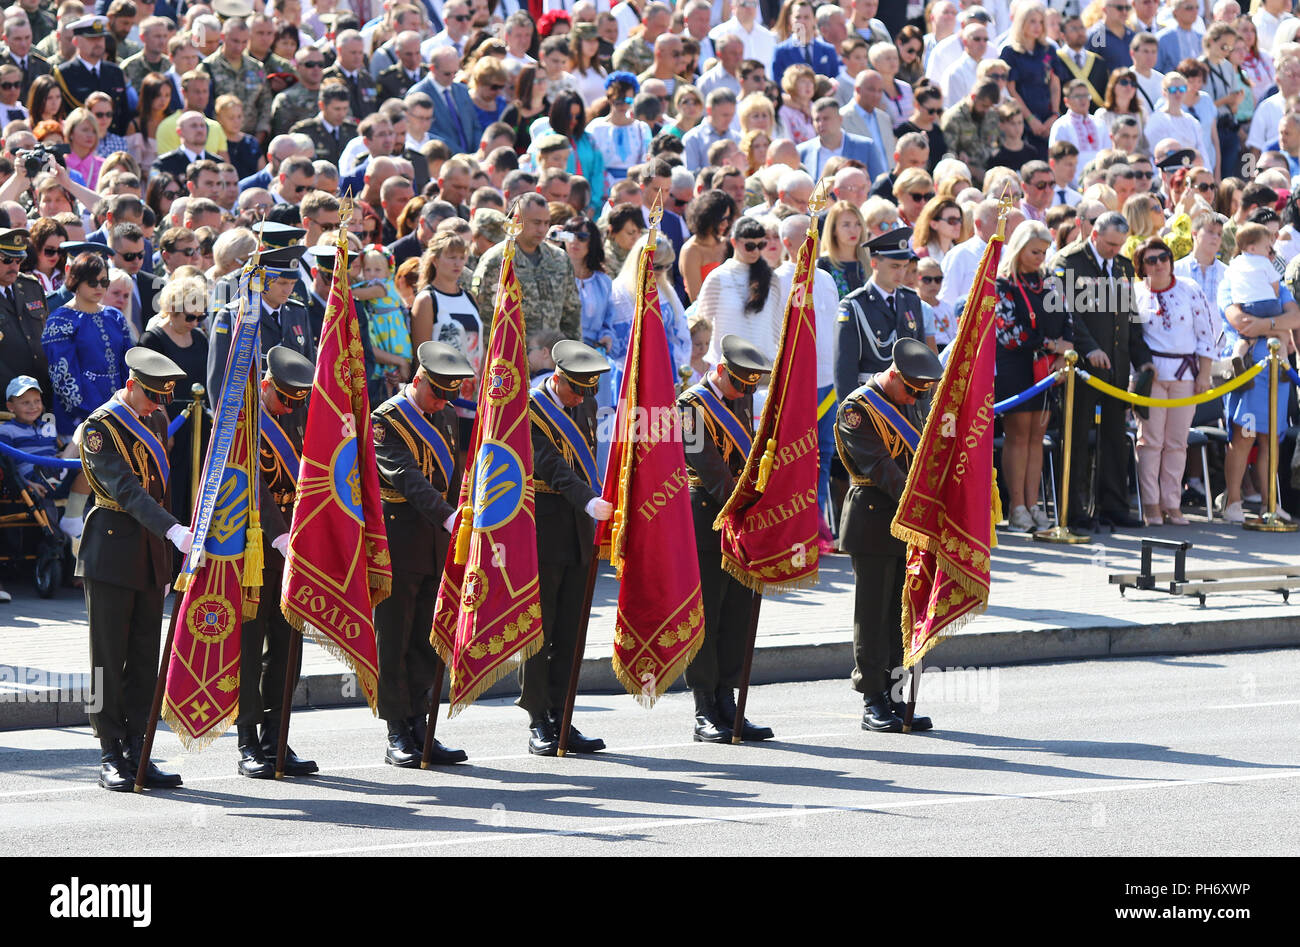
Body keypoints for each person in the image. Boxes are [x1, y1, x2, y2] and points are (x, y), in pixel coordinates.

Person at [78, 346, 190, 790]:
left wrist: (171, 545)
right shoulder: (99, 428)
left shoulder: (155, 419)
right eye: (151, 397)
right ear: (131, 386)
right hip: (111, 549)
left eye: (162, 399)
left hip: (149, 550)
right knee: (106, 659)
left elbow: (162, 487)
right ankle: (108, 750)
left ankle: (138, 747)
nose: (156, 407)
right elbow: (125, 490)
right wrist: (172, 530)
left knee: (145, 656)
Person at [371, 341, 474, 767]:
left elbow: (453, 475)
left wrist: (458, 515)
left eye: (449, 395)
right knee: (394, 640)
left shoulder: (444, 414)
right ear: (418, 380)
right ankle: (396, 728)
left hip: (436, 544)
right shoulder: (385, 420)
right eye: (437, 393)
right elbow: (406, 477)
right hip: (399, 543)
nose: (442, 402)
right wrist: (449, 517)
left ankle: (421, 723)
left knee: (427, 640)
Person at [836, 336, 943, 732]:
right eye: (911, 391)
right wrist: (923, 503)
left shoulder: (910, 401)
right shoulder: (857, 409)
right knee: (873, 615)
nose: (915, 400)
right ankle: (873, 698)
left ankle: (898, 696)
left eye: (920, 394)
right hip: (874, 520)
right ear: (894, 375)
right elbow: (881, 468)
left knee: (904, 614)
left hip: (909, 522)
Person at [677, 334, 775, 743]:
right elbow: (710, 468)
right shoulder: (688, 407)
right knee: (707, 615)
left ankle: (727, 700)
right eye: (738, 384)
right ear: (720, 371)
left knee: (737, 612)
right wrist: (746, 504)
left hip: (740, 514)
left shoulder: (742, 396)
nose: (743, 394)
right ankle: (704, 707)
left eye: (749, 387)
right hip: (707, 517)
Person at [230, 345, 318, 779]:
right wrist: (280, 534)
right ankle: (248, 740)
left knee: (287, 648)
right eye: (284, 398)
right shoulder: (241, 422)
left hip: (294, 545)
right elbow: (250, 483)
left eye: (297, 400)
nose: (290, 407)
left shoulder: (298, 418)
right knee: (250, 648)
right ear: (264, 385)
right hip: (254, 545)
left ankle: (277, 738)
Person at [523, 340, 613, 755]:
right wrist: (589, 501)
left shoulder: (585, 404)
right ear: (557, 378)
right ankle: (538, 718)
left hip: (578, 528)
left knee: (570, 632)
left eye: (587, 390)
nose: (581, 397)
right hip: (544, 529)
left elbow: (586, 460)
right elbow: (551, 465)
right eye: (576, 389)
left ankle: (563, 715)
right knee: (540, 631)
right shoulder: (531, 408)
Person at [1053, 211, 1155, 530]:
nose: (1115, 250)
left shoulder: (1122, 265)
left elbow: (1129, 316)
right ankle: (1074, 510)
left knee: (1114, 436)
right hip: (1083, 367)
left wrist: (1142, 357)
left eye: (1120, 245)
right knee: (1076, 438)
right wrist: (1089, 348)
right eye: (1110, 244)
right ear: (1095, 235)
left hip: (1117, 364)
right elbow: (1068, 313)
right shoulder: (1069, 262)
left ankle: (1113, 506)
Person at [1131, 236, 1217, 527]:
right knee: (1150, 441)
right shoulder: (1134, 294)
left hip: (1185, 374)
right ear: (1141, 266)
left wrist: (1204, 374)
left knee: (1177, 442)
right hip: (1151, 375)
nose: (1159, 264)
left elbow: (1206, 333)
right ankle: (1151, 503)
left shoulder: (1189, 288)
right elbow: (1131, 339)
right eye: (1151, 260)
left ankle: (1172, 502)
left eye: (1163, 257)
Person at [994, 221, 1071, 532]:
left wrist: (1062, 355)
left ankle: (1033, 503)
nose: (1040, 257)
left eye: (1044, 252)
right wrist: (1052, 345)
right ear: (1019, 249)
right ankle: (1017, 507)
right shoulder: (1002, 284)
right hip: (1015, 366)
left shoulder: (1051, 281)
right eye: (1034, 251)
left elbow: (1067, 320)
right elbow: (1008, 332)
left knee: (1037, 437)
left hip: (1048, 367)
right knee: (1018, 435)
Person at [137, 273, 209, 530]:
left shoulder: (200, 338)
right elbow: (149, 386)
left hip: (198, 418)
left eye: (200, 316)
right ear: (172, 309)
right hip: (168, 418)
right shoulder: (152, 340)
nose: (195, 323)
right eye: (189, 317)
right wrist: (165, 424)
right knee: (173, 483)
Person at [41, 249, 129, 438]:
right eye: (92, 282)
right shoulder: (60, 321)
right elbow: (64, 379)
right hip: (79, 419)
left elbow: (128, 365)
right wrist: (96, 414)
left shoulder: (115, 316)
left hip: (121, 413)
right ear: (76, 281)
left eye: (104, 282)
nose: (99, 287)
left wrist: (127, 405)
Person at [834, 227, 926, 401]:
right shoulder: (854, 306)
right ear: (874, 263)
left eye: (905, 266)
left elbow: (921, 358)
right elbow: (844, 370)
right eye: (895, 266)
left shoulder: (911, 300)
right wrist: (851, 411)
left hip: (908, 400)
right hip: (871, 399)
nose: (901, 273)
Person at [695, 216, 783, 366]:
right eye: (750, 246)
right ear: (734, 242)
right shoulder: (718, 277)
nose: (756, 251)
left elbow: (777, 329)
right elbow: (702, 324)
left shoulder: (772, 279)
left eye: (761, 245)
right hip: (725, 366)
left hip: (763, 366)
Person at [0, 227, 52, 403]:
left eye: (19, 260)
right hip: (6, 398)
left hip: (41, 394)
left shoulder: (31, 287)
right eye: (7, 260)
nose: (14, 266)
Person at [817, 199, 867, 297]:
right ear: (833, 230)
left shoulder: (869, 260)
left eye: (858, 224)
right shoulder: (824, 263)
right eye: (846, 225)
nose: (853, 230)